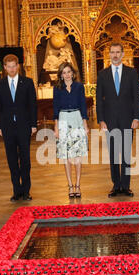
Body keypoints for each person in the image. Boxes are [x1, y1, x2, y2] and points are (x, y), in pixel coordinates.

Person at [96, 42, 139, 198]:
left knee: (126, 154)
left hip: (128, 119)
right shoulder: (102, 74)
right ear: (109, 54)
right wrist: (101, 120)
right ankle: (116, 185)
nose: (115, 55)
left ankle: (126, 186)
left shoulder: (132, 73)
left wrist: (137, 117)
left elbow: (137, 97)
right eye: (112, 52)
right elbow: (99, 100)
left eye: (117, 52)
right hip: (109, 121)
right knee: (114, 154)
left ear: (122, 54)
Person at [0, 54, 38, 202]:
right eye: (9, 66)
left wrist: (33, 124)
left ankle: (26, 191)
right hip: (7, 127)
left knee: (25, 159)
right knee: (12, 160)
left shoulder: (27, 83)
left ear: (18, 66)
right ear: (5, 68)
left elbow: (32, 105)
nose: (12, 69)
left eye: (14, 66)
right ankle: (16, 191)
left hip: (24, 126)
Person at [53, 62, 89, 198]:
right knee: (66, 156)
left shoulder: (79, 87)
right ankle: (70, 186)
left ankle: (78, 185)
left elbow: (83, 106)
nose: (67, 75)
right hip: (62, 119)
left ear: (73, 74)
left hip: (77, 118)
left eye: (69, 72)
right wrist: (56, 127)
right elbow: (55, 107)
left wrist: (85, 125)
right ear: (61, 75)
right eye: (64, 72)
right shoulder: (57, 88)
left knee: (77, 155)